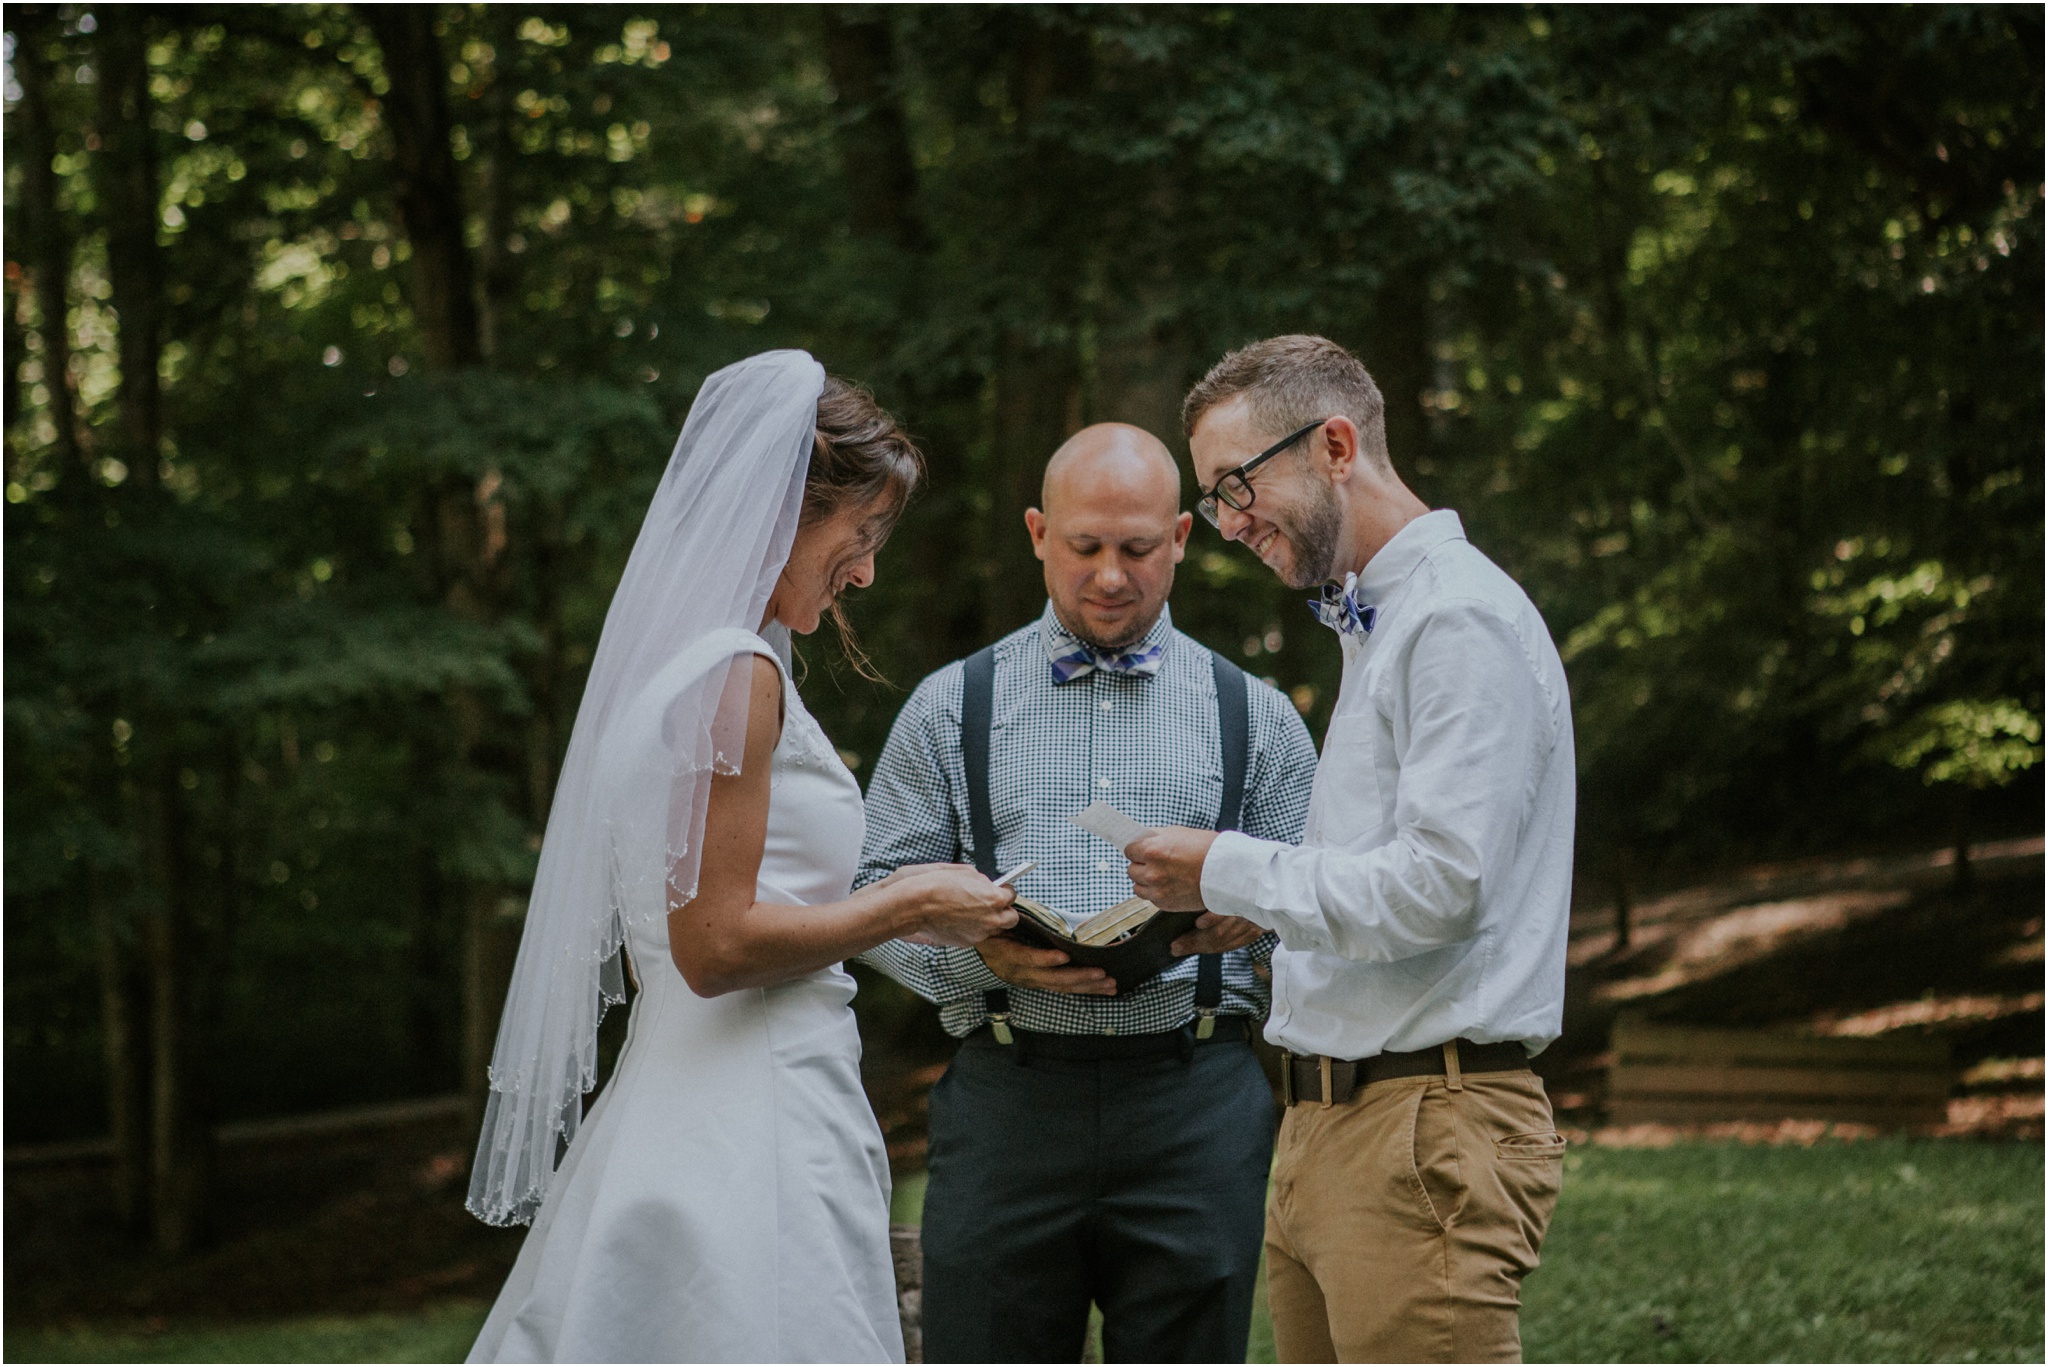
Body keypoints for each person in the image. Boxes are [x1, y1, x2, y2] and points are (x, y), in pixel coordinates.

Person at [465, 350, 1018, 1364]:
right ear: (785, 513)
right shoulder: (735, 673)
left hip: (675, 1096)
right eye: (858, 537)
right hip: (750, 1115)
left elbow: (668, 944)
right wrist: (905, 902)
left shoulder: (670, 672)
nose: (864, 569)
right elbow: (713, 946)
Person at [1125, 335, 1576, 1364]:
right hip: (1326, 1123)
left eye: (1237, 483)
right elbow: (1390, 872)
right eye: (1213, 497)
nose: (1229, 521)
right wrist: (1264, 909)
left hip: (1423, 1123)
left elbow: (1442, 887)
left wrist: (1226, 864)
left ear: (1334, 444)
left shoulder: (1455, 619)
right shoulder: (1380, 623)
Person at [856, 423, 1321, 1363]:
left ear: (1183, 539)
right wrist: (972, 953)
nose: (1111, 574)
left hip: (1196, 1102)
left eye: (1139, 548)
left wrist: (1261, 917)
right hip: (1008, 1098)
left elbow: (1328, 906)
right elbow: (872, 893)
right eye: (1085, 547)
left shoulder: (1257, 715)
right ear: (1038, 533)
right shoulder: (952, 705)